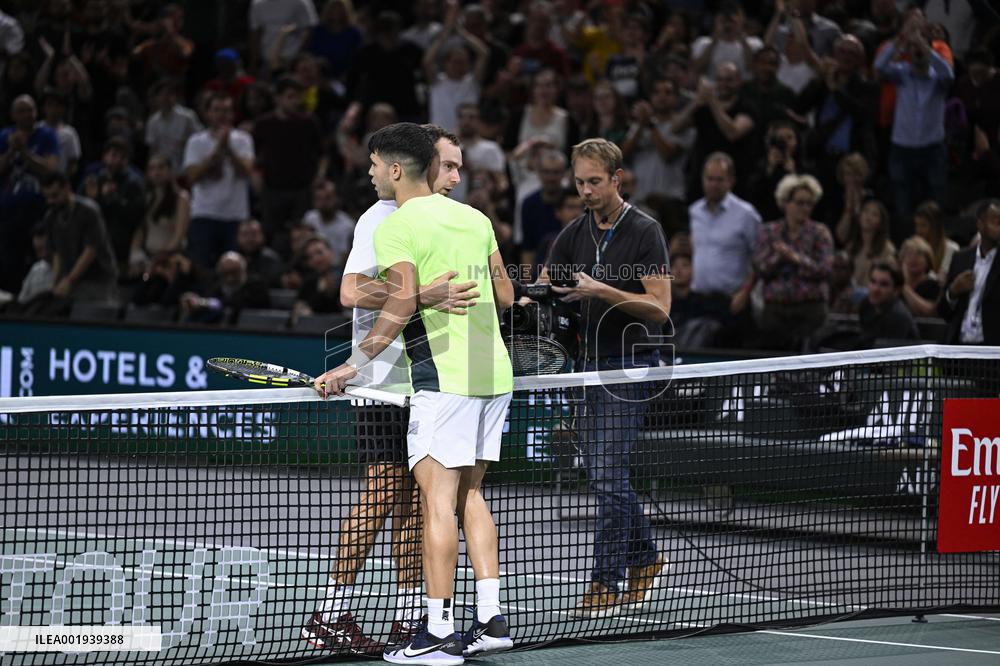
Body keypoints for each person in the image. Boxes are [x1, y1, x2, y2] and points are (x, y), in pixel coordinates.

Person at [312, 123, 514, 664]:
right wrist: (428, 295)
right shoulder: (439, 218)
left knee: (432, 503)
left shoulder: (424, 219)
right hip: (447, 378)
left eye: (457, 168)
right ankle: (479, 619)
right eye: (448, 165)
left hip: (435, 381)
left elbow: (407, 305)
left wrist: (351, 364)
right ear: (428, 165)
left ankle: (429, 625)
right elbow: (503, 294)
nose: (455, 175)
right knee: (428, 496)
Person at [538, 138, 671, 618]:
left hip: (628, 367)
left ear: (617, 179)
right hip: (585, 369)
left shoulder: (646, 231)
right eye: (580, 182)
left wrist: (600, 290)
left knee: (607, 476)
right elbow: (549, 281)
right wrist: (543, 294)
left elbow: (659, 307)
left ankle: (605, 580)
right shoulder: (574, 232)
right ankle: (647, 560)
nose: (586, 190)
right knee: (605, 476)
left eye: (595, 181)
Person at [874, 17, 954, 242]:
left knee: (936, 202)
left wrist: (927, 50)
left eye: (922, 49)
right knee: (903, 205)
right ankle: (908, 246)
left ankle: (937, 246)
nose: (917, 53)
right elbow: (879, 67)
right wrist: (901, 41)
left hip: (932, 149)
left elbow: (948, 75)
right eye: (914, 50)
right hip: (902, 149)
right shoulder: (901, 74)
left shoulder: (938, 79)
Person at [688, 153, 762, 347]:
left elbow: (761, 258)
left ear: (731, 181)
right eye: (709, 179)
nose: (713, 184)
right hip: (698, 300)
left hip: (731, 302)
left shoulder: (746, 214)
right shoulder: (694, 212)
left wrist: (746, 292)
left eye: (719, 179)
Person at [753, 174, 833, 350]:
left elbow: (825, 269)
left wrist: (797, 259)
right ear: (785, 203)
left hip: (810, 310)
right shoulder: (769, 231)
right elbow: (760, 269)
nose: (805, 208)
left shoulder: (820, 232)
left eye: (809, 203)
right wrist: (778, 258)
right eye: (799, 202)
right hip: (776, 310)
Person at [182, 92, 255, 271]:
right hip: (204, 213)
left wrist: (228, 148)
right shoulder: (196, 141)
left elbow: (247, 171)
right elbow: (192, 177)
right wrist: (216, 153)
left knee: (232, 268)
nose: (222, 115)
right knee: (201, 267)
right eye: (217, 110)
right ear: (207, 113)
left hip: (235, 215)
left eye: (227, 110)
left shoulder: (243, 140)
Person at [40, 170, 118, 305]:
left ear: (67, 188)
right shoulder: (50, 217)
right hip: (72, 277)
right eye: (47, 197)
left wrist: (69, 280)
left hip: (98, 278)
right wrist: (55, 283)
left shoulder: (89, 211)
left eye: (55, 195)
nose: (50, 201)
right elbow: (56, 254)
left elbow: (91, 250)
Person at [939, 200, 1000, 345]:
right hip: (959, 349)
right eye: (996, 222)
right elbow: (942, 311)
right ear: (980, 224)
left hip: (992, 352)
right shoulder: (960, 258)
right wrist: (953, 291)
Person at [129, 153, 190, 278]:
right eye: (152, 168)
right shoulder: (148, 197)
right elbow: (140, 230)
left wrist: (162, 257)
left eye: (161, 167)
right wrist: (135, 253)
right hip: (147, 258)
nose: (156, 172)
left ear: (170, 170)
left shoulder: (181, 198)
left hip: (170, 259)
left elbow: (179, 236)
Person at [144, 78, 202, 171]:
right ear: (156, 98)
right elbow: (152, 150)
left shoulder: (188, 117)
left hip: (185, 166)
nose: (166, 98)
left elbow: (200, 139)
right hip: (163, 169)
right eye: (162, 95)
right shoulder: (152, 121)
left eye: (169, 94)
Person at [859, 262, 920, 345]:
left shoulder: (898, 317)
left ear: (896, 290)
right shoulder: (866, 305)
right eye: (873, 281)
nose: (875, 289)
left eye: (884, 284)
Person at [303, 180, 356, 266]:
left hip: (337, 269)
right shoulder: (310, 219)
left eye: (327, 198)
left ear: (337, 198)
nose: (323, 203)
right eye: (319, 198)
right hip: (311, 266)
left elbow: (345, 258)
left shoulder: (347, 226)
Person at [846, 199, 896, 287]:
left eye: (874, 214)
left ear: (881, 223)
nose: (868, 216)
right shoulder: (851, 246)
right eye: (865, 211)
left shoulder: (887, 249)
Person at [913, 200, 959, 279]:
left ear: (936, 226)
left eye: (923, 225)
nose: (918, 231)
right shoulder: (915, 247)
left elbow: (941, 280)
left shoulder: (951, 248)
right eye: (917, 225)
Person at [898, 235, 941, 318]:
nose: (913, 258)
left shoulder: (933, 285)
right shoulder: (894, 285)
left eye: (919, 254)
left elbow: (928, 312)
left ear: (928, 260)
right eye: (909, 254)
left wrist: (904, 287)